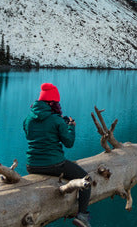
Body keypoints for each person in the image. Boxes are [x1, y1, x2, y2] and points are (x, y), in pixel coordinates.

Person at [23, 83, 91, 227]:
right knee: (86, 179)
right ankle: (83, 216)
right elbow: (68, 143)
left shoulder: (28, 119)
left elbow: (34, 137)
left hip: (32, 166)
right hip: (53, 165)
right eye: (57, 102)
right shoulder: (56, 120)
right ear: (52, 102)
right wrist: (71, 127)